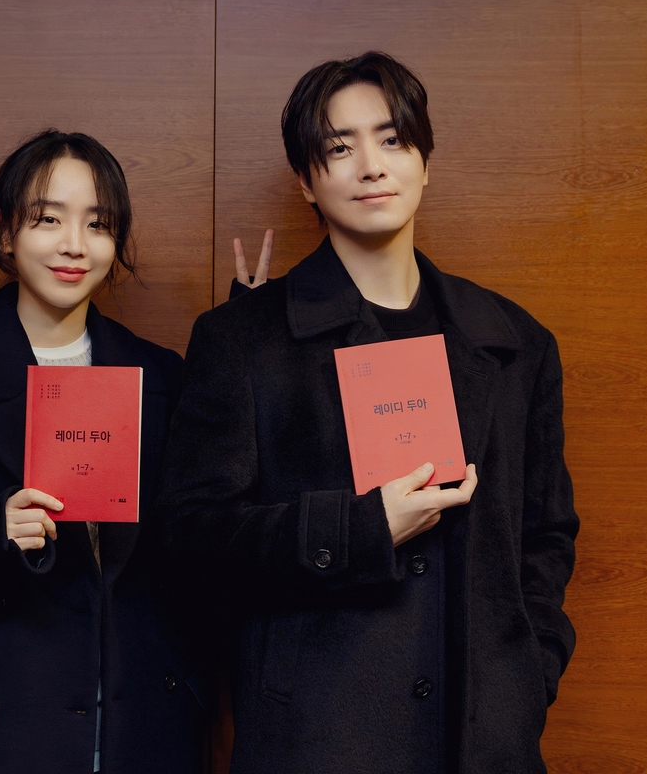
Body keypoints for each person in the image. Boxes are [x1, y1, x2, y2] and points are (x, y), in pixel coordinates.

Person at [156, 52, 578, 773]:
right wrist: (359, 529)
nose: (372, 167)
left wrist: (526, 677)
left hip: (483, 740)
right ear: (306, 181)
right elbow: (192, 540)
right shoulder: (242, 339)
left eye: (392, 140)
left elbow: (546, 534)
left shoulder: (515, 341)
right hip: (320, 737)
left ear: (425, 160)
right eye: (339, 148)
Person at [0, 129, 268, 773]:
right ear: (5, 233)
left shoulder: (162, 378)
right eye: (47, 219)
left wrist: (249, 339)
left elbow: (209, 532)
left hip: (140, 732)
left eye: (98, 223)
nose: (75, 244)